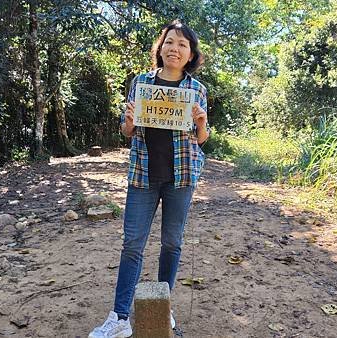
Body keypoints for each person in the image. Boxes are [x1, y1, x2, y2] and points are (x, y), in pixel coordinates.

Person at [88, 20, 210, 338]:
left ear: (190, 54)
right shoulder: (142, 83)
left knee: (172, 243)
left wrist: (201, 123)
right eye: (170, 42)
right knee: (132, 245)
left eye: (183, 44)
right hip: (143, 175)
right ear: (161, 47)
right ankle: (119, 317)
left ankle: (163, 309)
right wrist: (128, 121)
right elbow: (128, 132)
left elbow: (201, 139)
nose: (175, 48)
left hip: (181, 177)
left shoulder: (197, 90)